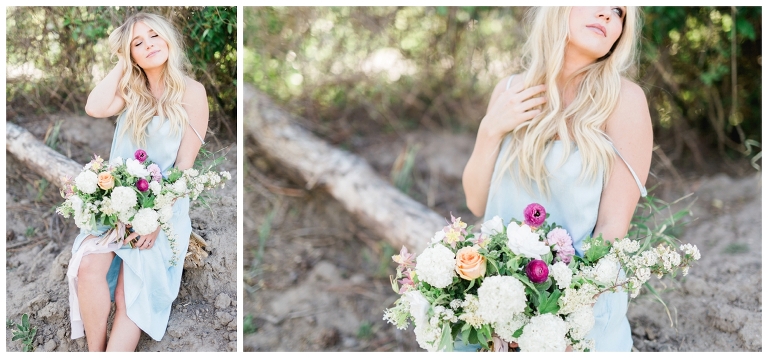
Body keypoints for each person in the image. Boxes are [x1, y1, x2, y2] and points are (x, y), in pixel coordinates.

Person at [461, 6, 651, 351]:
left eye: (619, 11)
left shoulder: (625, 100)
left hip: (578, 303)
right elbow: (476, 202)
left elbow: (612, 224)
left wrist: (563, 315)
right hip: (494, 298)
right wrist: (490, 129)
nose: (608, 15)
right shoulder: (509, 90)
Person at [66, 12, 209, 351]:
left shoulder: (193, 92)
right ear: (130, 54)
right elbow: (94, 107)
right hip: (117, 200)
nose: (149, 45)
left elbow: (184, 168)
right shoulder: (132, 91)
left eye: (154, 36)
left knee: (129, 289)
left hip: (162, 204)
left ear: (168, 40)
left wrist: (155, 220)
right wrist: (121, 61)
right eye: (137, 43)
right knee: (88, 268)